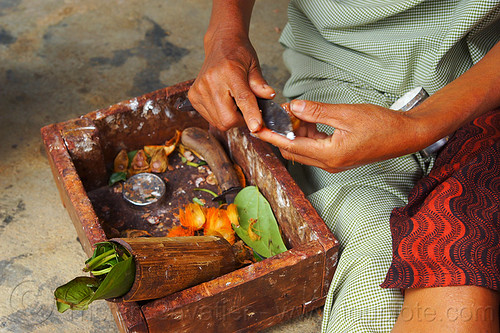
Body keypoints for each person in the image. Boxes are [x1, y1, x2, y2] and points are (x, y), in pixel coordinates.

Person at [187, 0, 500, 332]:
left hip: (480, 84)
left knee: (458, 276)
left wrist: (419, 125)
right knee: (372, 265)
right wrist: (224, 34)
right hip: (343, 74)